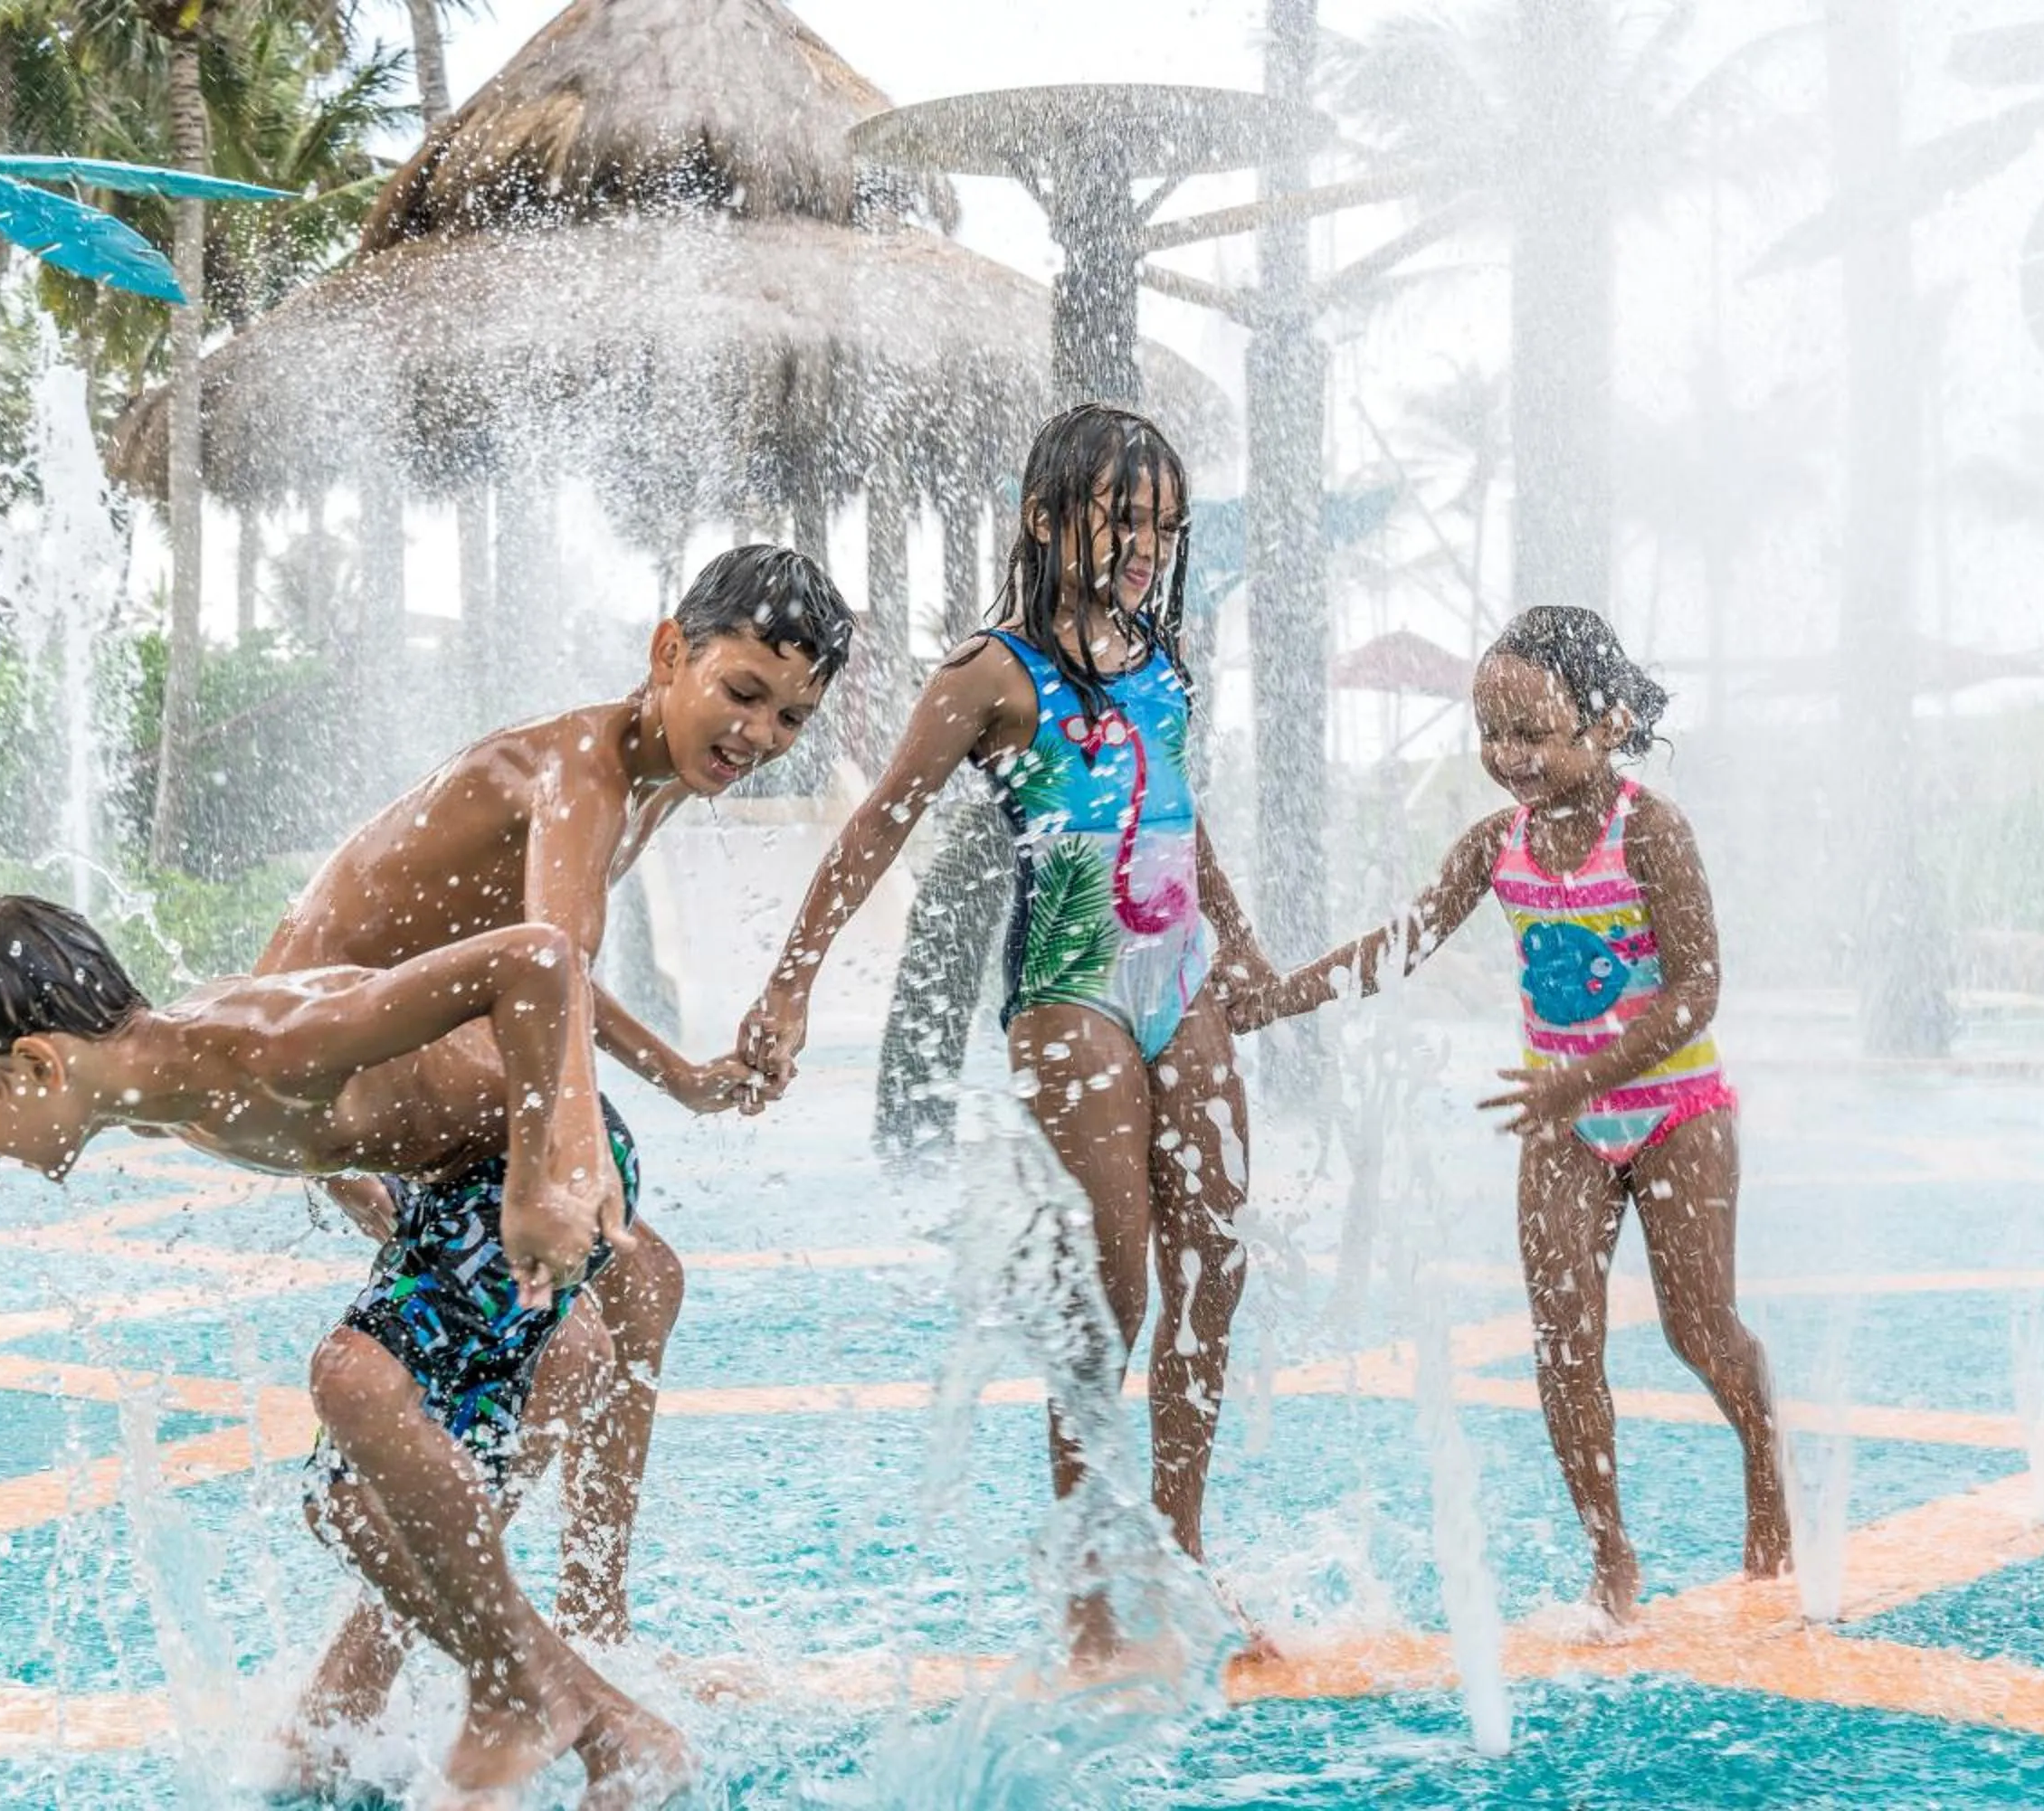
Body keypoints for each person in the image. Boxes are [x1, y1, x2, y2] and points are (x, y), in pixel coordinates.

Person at [254, 542, 851, 1802]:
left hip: (408, 1066)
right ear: (669, 653)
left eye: (792, 717)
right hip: (347, 1079)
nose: (758, 734)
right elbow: (547, 967)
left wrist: (677, 1075)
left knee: (631, 1292)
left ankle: (558, 1630)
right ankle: (505, 1676)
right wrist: (555, 1165)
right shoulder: (580, 768)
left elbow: (531, 964)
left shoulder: (652, 773)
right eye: (742, 693)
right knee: (564, 1337)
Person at [0, 892, 689, 1807]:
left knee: (353, 1378)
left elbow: (536, 960)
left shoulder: (260, 1045)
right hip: (449, 1186)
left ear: (36, 1062)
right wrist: (379, 1208)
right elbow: (344, 1126)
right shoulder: (155, 1094)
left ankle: (522, 1693)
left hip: (524, 1167)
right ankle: (611, 1728)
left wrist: (556, 1163)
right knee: (347, 1506)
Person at [736, 404, 1281, 1665]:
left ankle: (1183, 1556)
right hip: (1069, 984)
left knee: (1216, 1261)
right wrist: (791, 983)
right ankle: (1091, 1605)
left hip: (1180, 972)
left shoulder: (1158, 651)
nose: (1145, 546)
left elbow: (1180, 808)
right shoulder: (991, 672)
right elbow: (878, 821)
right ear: (1046, 517)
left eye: (1164, 526)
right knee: (1113, 1292)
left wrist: (1242, 944)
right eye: (1122, 517)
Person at [1237, 605, 1792, 1624]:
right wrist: (1276, 999)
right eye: (1490, 732)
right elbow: (1396, 945)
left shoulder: (1651, 831)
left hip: (1676, 1112)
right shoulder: (1499, 845)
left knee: (1698, 1329)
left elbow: (1696, 991)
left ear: (1607, 723)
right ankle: (1610, 1556)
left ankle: (1765, 1455)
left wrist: (1583, 1080)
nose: (1507, 755)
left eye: (1531, 731)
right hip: (1563, 1122)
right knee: (1563, 1343)